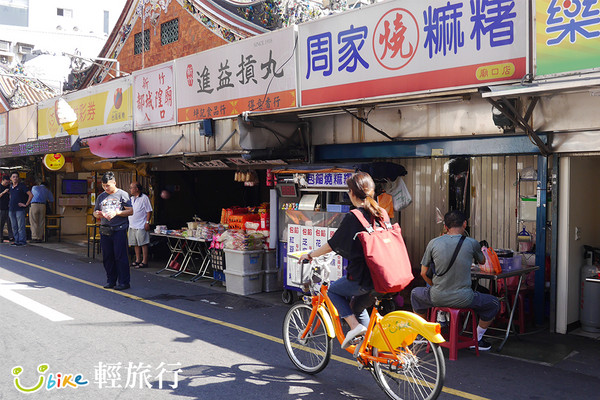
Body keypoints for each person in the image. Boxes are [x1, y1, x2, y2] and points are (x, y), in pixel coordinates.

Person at [299, 171, 382, 349]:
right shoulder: (380, 214)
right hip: (382, 276)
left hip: (363, 277)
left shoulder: (354, 216)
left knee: (334, 291)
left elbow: (333, 244)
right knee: (357, 308)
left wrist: (311, 255)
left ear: (351, 193)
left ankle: (355, 327)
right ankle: (368, 348)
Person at [410, 210, 500, 351]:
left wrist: (434, 286)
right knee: (494, 303)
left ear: (445, 227)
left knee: (416, 294)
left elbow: (423, 273)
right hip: (464, 299)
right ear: (465, 224)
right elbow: (482, 262)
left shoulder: (433, 243)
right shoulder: (472, 243)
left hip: (437, 297)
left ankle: (421, 335)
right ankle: (477, 338)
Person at [93, 172, 133, 290]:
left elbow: (130, 211)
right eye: (104, 185)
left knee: (120, 256)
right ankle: (111, 280)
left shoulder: (122, 194)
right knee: (107, 257)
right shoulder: (101, 196)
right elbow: (95, 212)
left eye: (108, 185)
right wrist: (98, 214)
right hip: (105, 230)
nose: (106, 188)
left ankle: (124, 282)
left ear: (114, 183)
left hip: (119, 229)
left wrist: (117, 213)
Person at [128, 182, 153, 269]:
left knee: (143, 243)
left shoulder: (144, 198)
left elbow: (149, 211)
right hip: (132, 225)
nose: (130, 189)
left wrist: (147, 222)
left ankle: (145, 261)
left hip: (141, 224)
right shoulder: (131, 198)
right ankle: (138, 259)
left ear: (137, 189)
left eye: (132, 187)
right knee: (135, 243)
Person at [8, 172, 33, 247]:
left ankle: (22, 241)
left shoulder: (22, 186)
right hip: (11, 209)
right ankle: (16, 240)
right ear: (11, 178)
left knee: (20, 225)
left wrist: (26, 204)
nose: (15, 178)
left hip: (19, 209)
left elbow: (31, 195)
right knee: (14, 226)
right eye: (13, 177)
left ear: (18, 178)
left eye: (16, 177)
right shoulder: (11, 187)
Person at [0, 175, 14, 243]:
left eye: (8, 183)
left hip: (8, 207)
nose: (7, 184)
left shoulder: (9, 187)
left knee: (10, 223)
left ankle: (11, 236)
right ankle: (0, 237)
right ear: (2, 180)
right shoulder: (0, 187)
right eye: (6, 182)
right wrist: (4, 192)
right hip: (1, 208)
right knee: (1, 223)